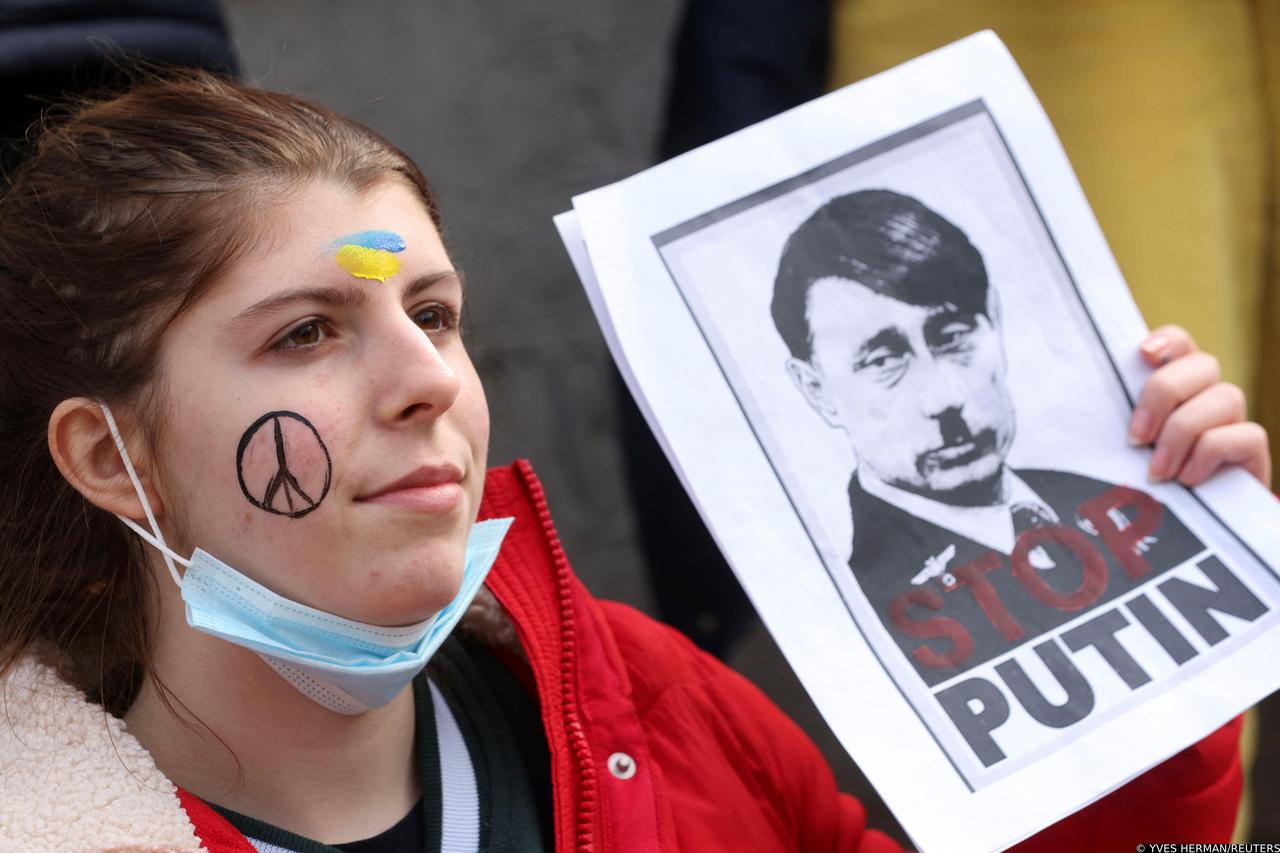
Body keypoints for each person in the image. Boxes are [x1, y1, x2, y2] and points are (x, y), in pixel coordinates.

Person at [0, 72, 1259, 851]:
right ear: (110, 458)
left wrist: (1137, 640)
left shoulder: (645, 698)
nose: (428, 378)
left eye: (433, 315)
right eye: (306, 333)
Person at [771, 188, 1265, 686]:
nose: (945, 398)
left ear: (995, 319)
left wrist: (1241, 524)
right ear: (816, 391)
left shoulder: (1123, 501)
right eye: (883, 361)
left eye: (953, 335)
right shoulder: (851, 624)